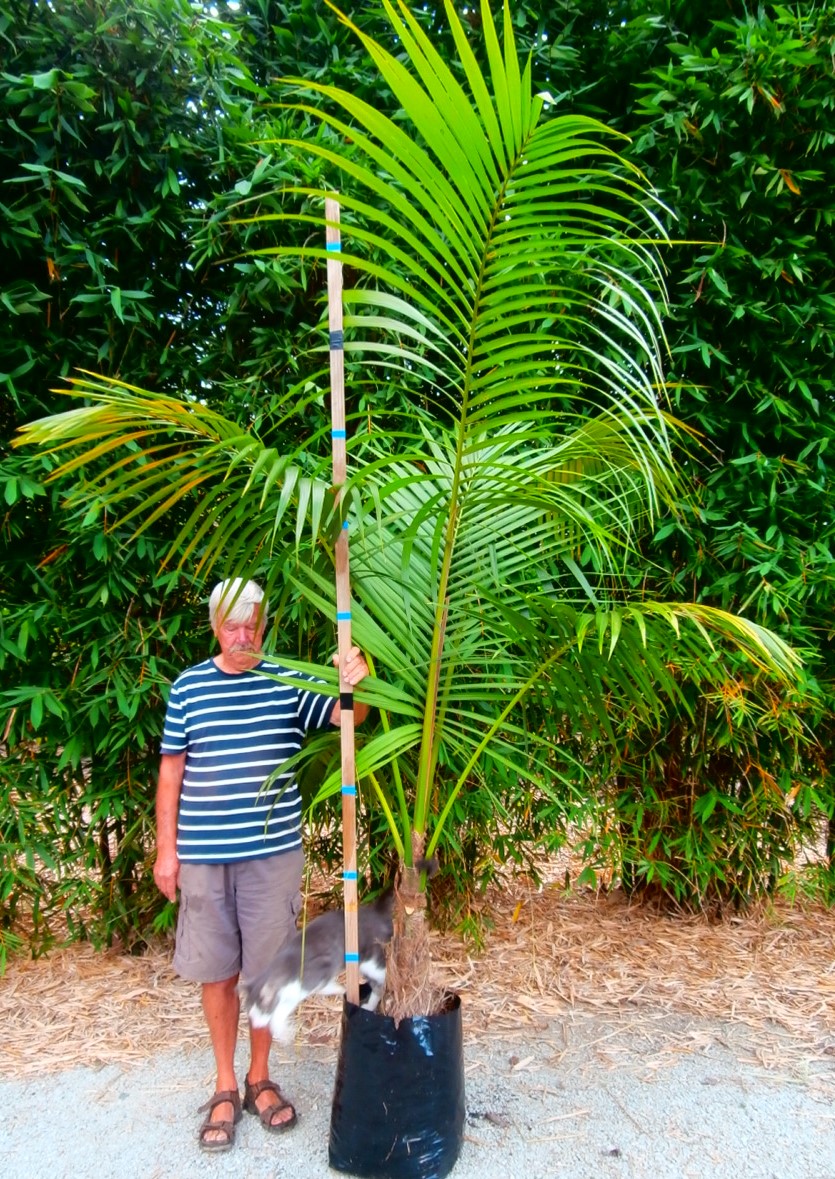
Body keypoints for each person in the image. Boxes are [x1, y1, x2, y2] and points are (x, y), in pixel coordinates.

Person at [153, 577, 369, 1152]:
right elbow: (171, 771)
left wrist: (355, 672)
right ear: (215, 627)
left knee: (266, 974)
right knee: (217, 973)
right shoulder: (189, 687)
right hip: (202, 859)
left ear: (264, 626)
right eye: (232, 625)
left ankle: (259, 1078)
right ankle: (225, 1085)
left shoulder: (286, 679)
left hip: (271, 858)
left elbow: (353, 715)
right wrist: (165, 850)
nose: (242, 635)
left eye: (252, 625)